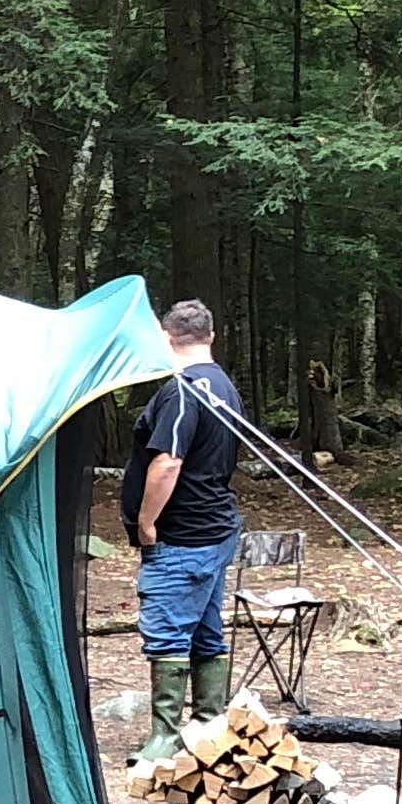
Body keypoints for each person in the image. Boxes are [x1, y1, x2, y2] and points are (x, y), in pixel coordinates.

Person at [123, 296, 248, 763]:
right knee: (205, 630)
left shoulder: (182, 391)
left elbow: (168, 462)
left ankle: (165, 736)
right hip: (215, 528)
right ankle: (209, 723)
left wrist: (146, 521)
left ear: (164, 338)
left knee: (169, 633)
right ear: (210, 336)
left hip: (184, 534)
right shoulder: (222, 384)